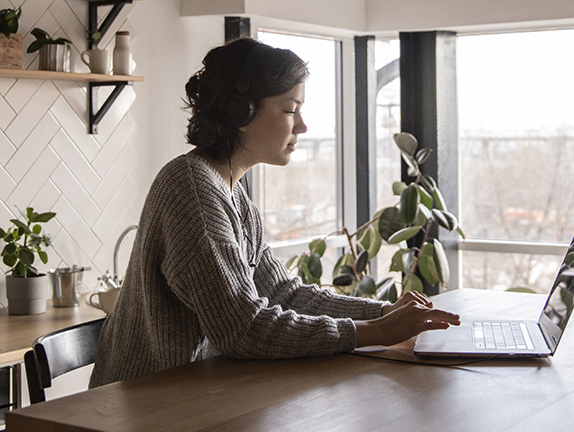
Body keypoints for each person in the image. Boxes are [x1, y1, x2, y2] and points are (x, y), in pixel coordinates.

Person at [90, 37, 459, 387]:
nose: (302, 125)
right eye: (290, 110)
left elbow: (283, 293)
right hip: (133, 415)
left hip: (190, 397)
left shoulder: (231, 194)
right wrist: (375, 332)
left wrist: (383, 313)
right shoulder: (192, 190)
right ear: (240, 112)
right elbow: (242, 329)